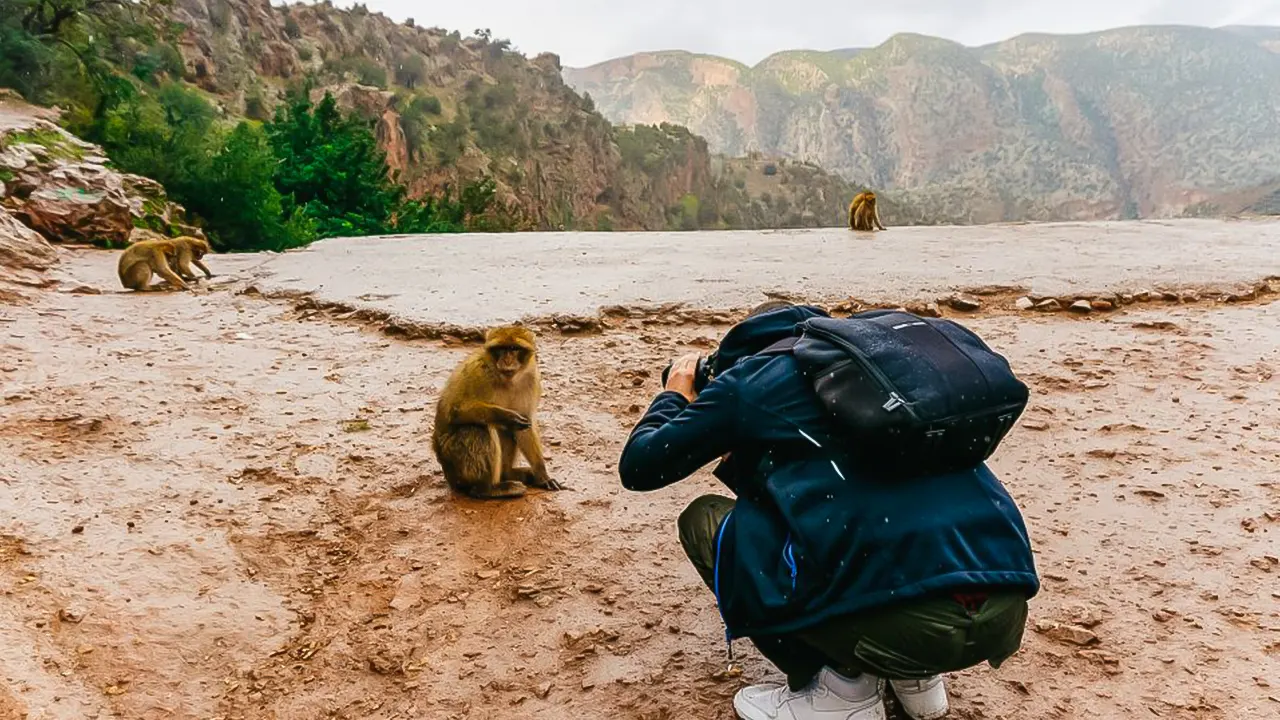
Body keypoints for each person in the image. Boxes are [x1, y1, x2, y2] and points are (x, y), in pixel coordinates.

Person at [617, 301, 1040, 720]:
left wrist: (676, 390)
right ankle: (918, 683)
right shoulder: (882, 379)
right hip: (1003, 608)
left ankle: (842, 690)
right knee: (905, 511)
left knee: (708, 521)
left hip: (907, 626)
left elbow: (640, 466)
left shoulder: (753, 380)